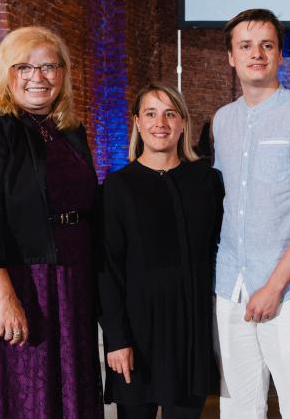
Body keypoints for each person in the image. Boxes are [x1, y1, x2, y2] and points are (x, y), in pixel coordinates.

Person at [0, 26, 102, 419]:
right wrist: (5, 298)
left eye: (50, 67)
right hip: (19, 281)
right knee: (23, 391)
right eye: (25, 67)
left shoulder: (68, 129)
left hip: (69, 279)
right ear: (6, 72)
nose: (38, 77)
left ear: (63, 73)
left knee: (68, 386)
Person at [211, 8, 290, 419]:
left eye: (267, 45)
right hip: (232, 284)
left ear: (280, 55)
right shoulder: (222, 120)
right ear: (231, 56)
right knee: (238, 409)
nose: (256, 54)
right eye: (245, 46)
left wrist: (275, 286)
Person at [100, 83, 223, 418]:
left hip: (191, 328)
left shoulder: (207, 181)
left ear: (183, 122)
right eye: (151, 113)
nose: (161, 122)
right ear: (137, 122)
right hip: (138, 330)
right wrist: (116, 339)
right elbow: (107, 268)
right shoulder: (118, 186)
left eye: (170, 113)